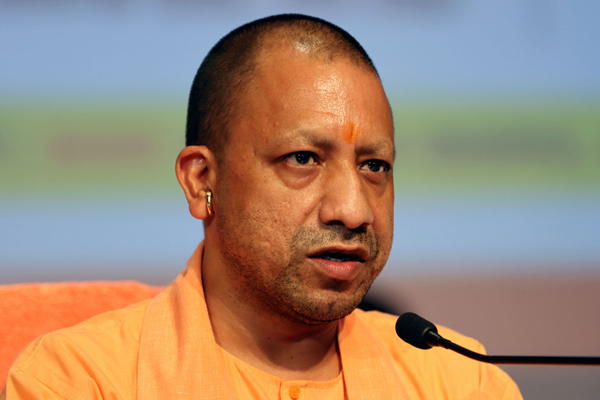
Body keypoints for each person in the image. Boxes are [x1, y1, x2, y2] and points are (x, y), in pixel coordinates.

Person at [2, 14, 522, 399]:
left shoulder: (461, 383)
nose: (354, 210)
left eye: (374, 166)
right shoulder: (80, 381)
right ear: (201, 181)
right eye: (303, 158)